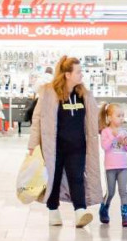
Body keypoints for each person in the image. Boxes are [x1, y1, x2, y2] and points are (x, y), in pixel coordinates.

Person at [28, 56, 100, 228]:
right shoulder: (49, 93)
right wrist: (32, 145)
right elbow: (37, 119)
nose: (82, 75)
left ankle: (80, 211)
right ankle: (53, 210)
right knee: (54, 177)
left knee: (77, 178)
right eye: (78, 72)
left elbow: (93, 119)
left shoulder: (84, 95)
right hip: (54, 147)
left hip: (78, 147)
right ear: (67, 74)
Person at [98, 103, 127, 227]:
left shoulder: (124, 132)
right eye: (118, 116)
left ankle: (126, 216)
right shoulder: (105, 132)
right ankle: (104, 209)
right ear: (110, 117)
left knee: (123, 192)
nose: (121, 118)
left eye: (123, 116)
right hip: (110, 168)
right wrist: (113, 136)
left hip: (123, 167)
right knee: (111, 192)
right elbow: (105, 146)